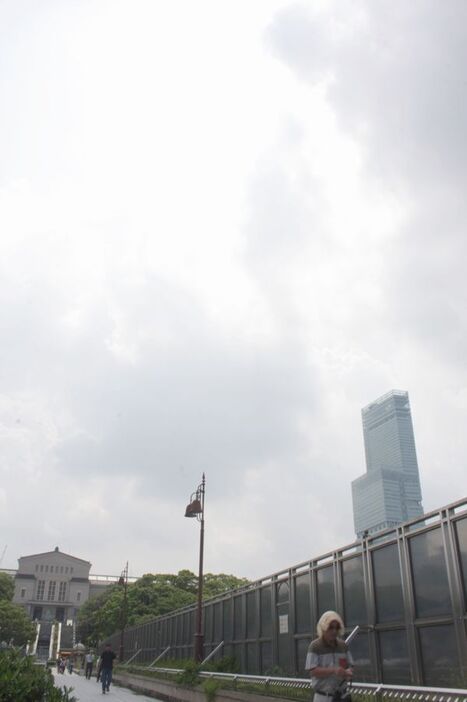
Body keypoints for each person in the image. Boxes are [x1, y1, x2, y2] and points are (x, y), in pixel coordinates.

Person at [305, 610, 353, 701]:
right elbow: (313, 671)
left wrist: (348, 672)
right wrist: (334, 670)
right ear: (323, 628)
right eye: (330, 628)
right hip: (323, 696)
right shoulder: (315, 646)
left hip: (341, 696)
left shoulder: (343, 646)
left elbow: (350, 666)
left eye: (336, 628)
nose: (334, 631)